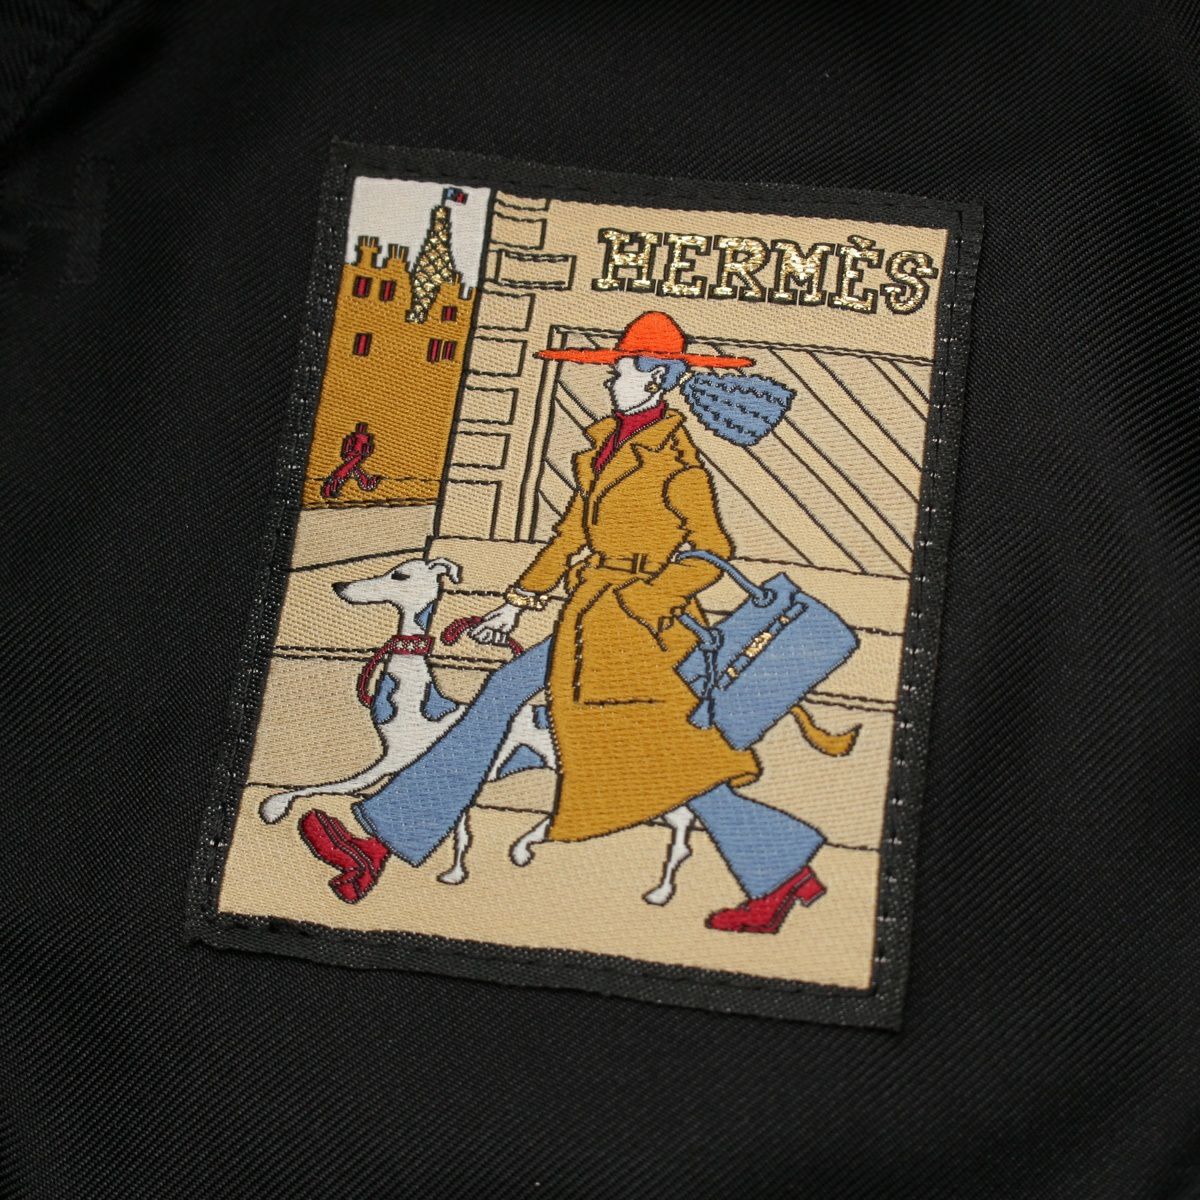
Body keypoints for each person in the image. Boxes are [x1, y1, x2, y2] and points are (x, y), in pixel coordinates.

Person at [300, 312, 829, 934]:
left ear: (656, 379)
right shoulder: (609, 450)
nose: (610, 381)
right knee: (622, 743)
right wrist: (516, 602)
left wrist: (647, 602)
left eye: (620, 370)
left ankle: (379, 844)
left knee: (661, 758)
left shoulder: (675, 465)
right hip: (592, 618)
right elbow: (570, 536)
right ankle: (784, 868)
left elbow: (713, 549)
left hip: (645, 633)